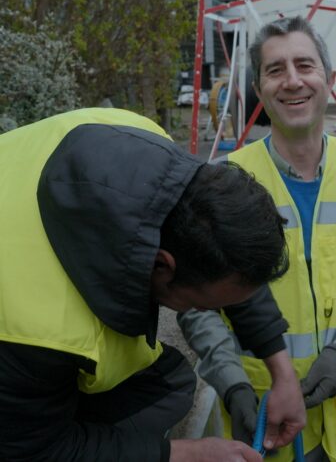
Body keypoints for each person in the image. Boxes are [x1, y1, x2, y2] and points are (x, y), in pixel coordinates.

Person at [178, 16, 336, 461]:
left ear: (329, 80)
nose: (292, 81)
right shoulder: (224, 181)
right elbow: (199, 304)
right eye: (276, 70)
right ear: (259, 87)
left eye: (304, 66)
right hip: (266, 418)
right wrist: (230, 380)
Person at [0, 107, 306, 461]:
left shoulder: (141, 141)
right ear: (162, 265)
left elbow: (227, 257)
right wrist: (182, 454)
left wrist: (283, 374)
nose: (213, 312)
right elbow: (32, 451)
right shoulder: (39, 330)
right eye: (206, 306)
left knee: (161, 388)